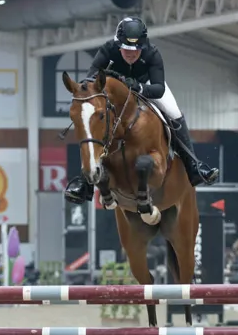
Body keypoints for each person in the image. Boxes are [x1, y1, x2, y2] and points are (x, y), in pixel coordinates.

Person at [64, 16, 220, 205]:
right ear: (118, 44)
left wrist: (138, 87)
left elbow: (158, 88)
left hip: (146, 87)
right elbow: (89, 81)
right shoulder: (108, 50)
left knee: (174, 112)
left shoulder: (152, 54)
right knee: (90, 120)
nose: (131, 54)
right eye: (127, 49)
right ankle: (84, 185)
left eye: (136, 50)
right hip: (113, 92)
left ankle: (194, 167)